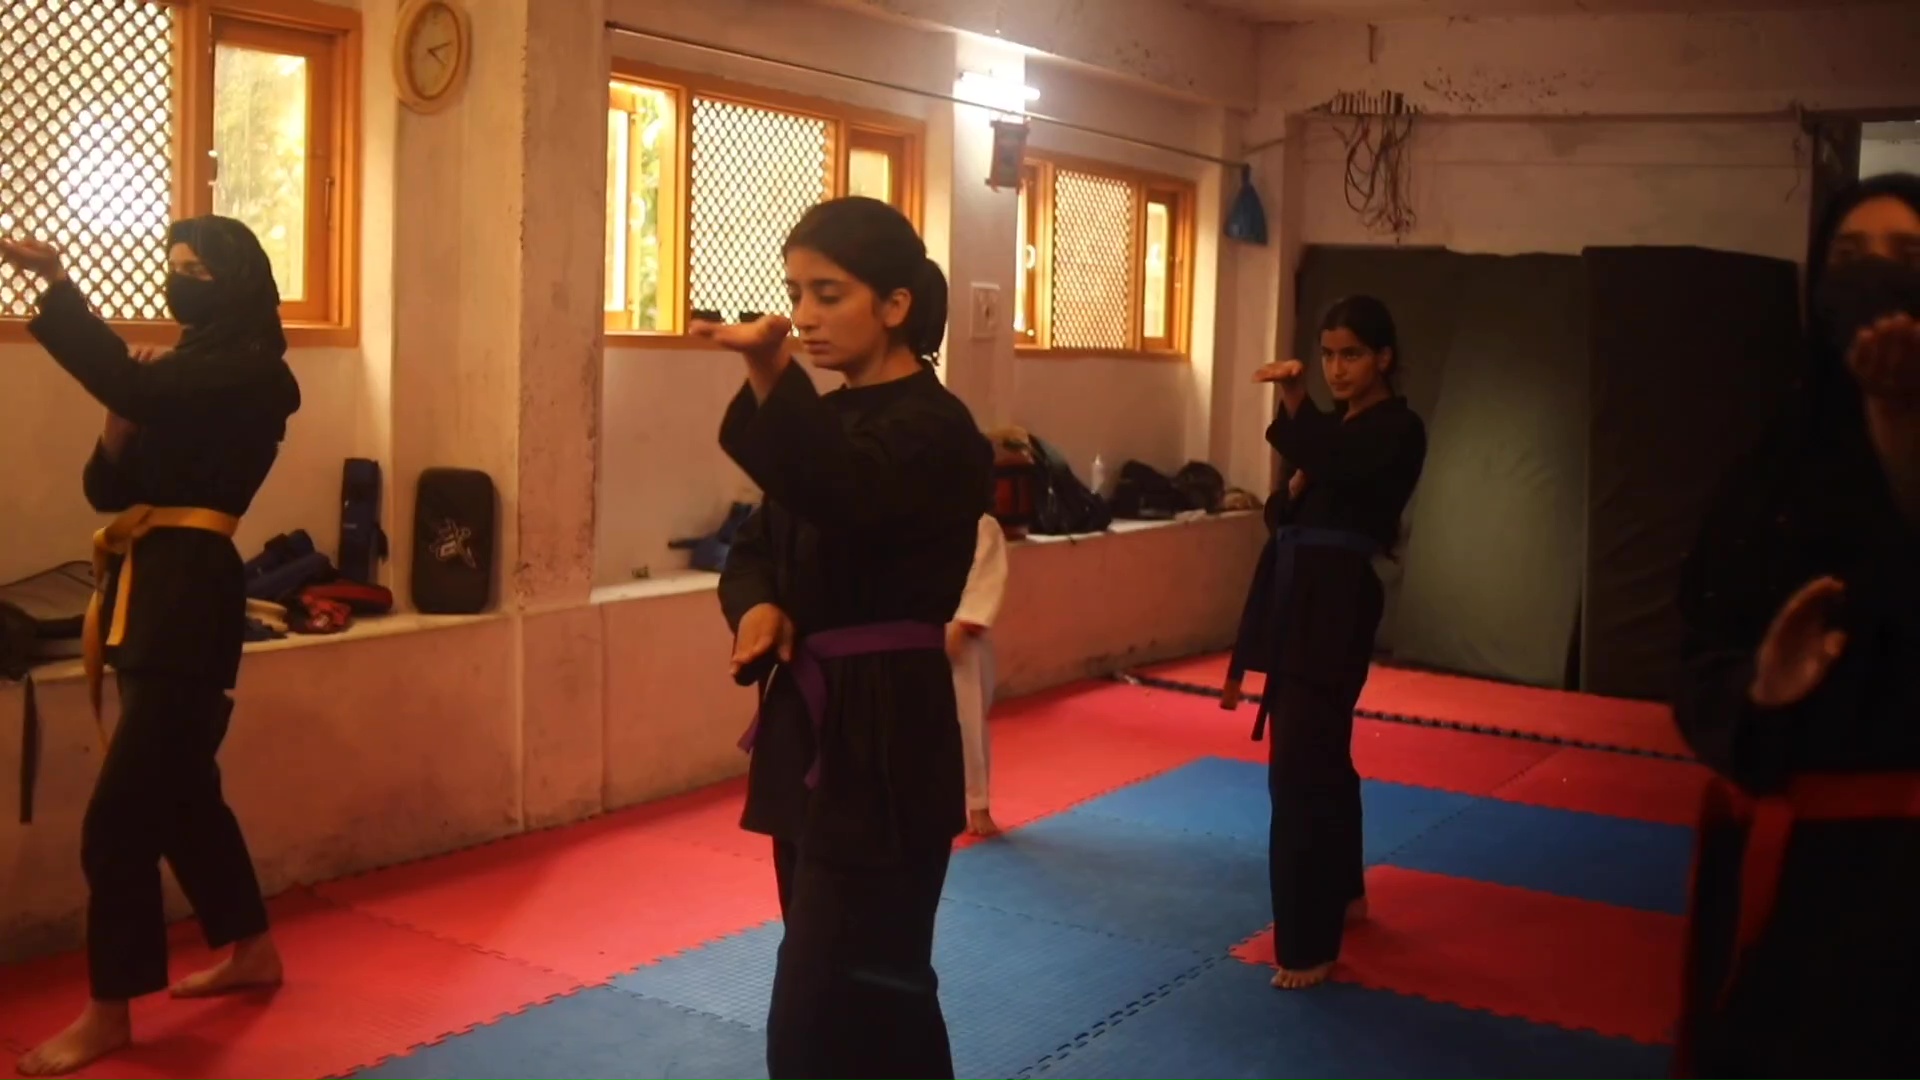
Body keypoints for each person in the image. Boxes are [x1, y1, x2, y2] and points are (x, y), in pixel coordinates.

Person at [702, 196, 993, 1080]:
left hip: (888, 733)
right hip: (811, 726)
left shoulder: (939, 430)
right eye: (796, 292)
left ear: (895, 305)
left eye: (829, 294)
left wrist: (767, 375)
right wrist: (757, 606)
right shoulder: (822, 426)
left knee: (832, 999)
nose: (803, 315)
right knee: (869, 991)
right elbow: (754, 548)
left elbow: (848, 497)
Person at [2, 216, 300, 1076]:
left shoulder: (255, 377)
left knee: (116, 824)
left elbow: (137, 389)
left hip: (192, 600)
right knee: (182, 798)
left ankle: (109, 1014)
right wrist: (117, 421)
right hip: (141, 591)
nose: (181, 282)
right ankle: (253, 952)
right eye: (173, 267)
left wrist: (57, 280)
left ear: (236, 281)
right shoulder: (182, 373)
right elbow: (107, 488)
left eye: (196, 269)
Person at [1669, 172, 1920, 1080]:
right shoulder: (1770, 465)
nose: (1877, 278)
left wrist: (1899, 424)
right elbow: (1697, 649)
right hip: (1794, 889)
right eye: (1850, 259)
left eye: (1909, 259)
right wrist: (1754, 691)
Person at [1229, 296, 1427, 990]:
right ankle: (1345, 892)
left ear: (1383, 359)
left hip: (1337, 607)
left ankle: (1308, 944)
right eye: (1328, 355)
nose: (1337, 369)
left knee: (1300, 772)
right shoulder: (1334, 437)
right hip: (1297, 602)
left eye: (1351, 355)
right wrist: (1304, 451)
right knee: (1322, 758)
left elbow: (1334, 467)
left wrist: (1296, 407)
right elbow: (1280, 513)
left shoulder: (1398, 429)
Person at [950, 512, 1010, 837]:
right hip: (912, 632)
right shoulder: (907, 512)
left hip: (962, 638)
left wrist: (965, 622)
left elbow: (986, 579)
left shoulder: (980, 523)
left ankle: (978, 805)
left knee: (968, 724)